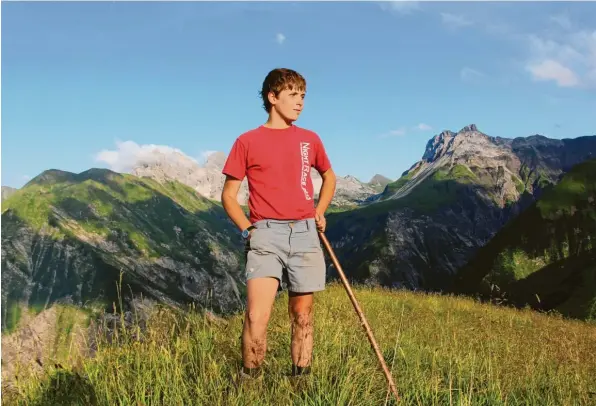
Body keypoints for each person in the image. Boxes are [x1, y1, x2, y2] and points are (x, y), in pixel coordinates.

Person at [221, 68, 337, 381]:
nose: (300, 102)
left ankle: (300, 383)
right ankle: (250, 386)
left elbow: (329, 176)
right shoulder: (247, 141)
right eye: (293, 95)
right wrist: (248, 229)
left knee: (302, 315)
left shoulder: (310, 140)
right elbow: (229, 196)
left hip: (304, 232)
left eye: (303, 96)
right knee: (257, 317)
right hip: (265, 234)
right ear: (273, 97)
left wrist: (320, 209)